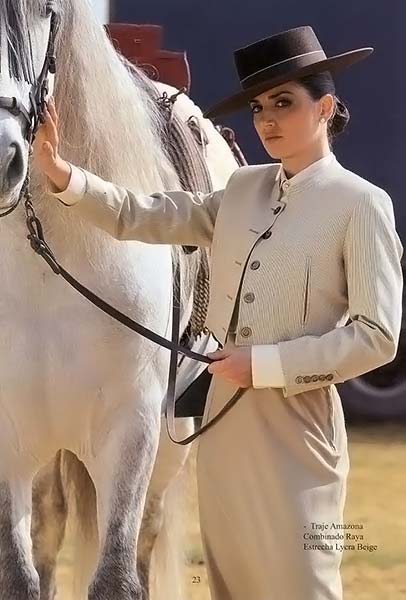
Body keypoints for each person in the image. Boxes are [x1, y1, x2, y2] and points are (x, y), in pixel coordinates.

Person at [33, 25, 403, 600]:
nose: (267, 121)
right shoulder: (244, 188)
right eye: (259, 107)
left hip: (297, 427)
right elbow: (145, 214)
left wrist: (265, 364)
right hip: (223, 425)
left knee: (302, 586)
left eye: (284, 103)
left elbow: (377, 337)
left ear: (325, 108)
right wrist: (64, 177)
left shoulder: (362, 204)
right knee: (232, 586)